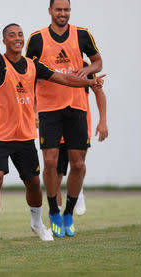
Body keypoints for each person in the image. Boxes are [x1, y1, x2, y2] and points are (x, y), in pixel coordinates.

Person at [0, 0, 104, 243]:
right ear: (4, 40)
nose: (18, 38)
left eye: (20, 34)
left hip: (24, 135)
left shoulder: (33, 65)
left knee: (33, 182)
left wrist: (89, 81)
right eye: (12, 35)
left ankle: (37, 223)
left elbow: (63, 78)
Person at [25, 0, 103, 237]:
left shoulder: (82, 34)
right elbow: (26, 73)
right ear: (50, 11)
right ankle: (53, 211)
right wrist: (33, 109)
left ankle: (68, 212)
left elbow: (98, 62)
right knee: (49, 162)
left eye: (66, 10)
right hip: (49, 109)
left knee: (78, 164)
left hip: (77, 107)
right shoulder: (37, 39)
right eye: (58, 9)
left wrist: (86, 70)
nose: (63, 14)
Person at [56, 67, 108, 215]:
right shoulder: (51, 64)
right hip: (56, 125)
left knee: (78, 165)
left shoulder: (85, 67)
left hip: (79, 124)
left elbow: (99, 92)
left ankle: (78, 192)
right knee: (56, 174)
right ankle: (57, 216)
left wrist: (103, 121)